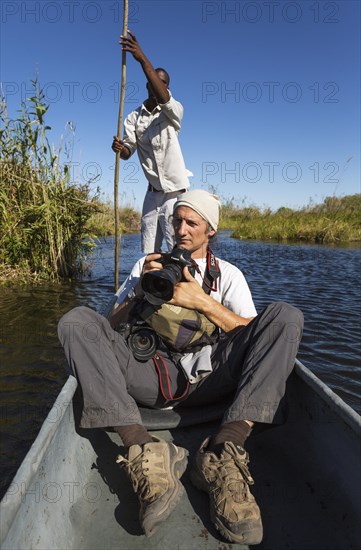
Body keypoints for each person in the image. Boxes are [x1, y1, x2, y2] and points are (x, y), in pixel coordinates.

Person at [58, 190, 304, 545]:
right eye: (177, 221)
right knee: (77, 322)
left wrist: (202, 302)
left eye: (193, 223)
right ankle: (142, 445)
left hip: (210, 379)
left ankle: (223, 450)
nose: (182, 230)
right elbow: (106, 328)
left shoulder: (229, 276)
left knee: (285, 317)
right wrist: (139, 292)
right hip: (148, 376)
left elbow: (257, 337)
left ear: (211, 231)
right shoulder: (147, 264)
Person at [112, 31, 191, 253]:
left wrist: (141, 58)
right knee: (148, 251)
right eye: (157, 82)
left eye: (164, 84)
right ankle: (150, 285)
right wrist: (121, 149)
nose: (161, 87)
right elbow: (128, 151)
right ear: (148, 85)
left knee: (177, 248)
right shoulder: (133, 117)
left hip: (175, 193)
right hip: (152, 193)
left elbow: (164, 96)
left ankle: (180, 285)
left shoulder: (173, 111)